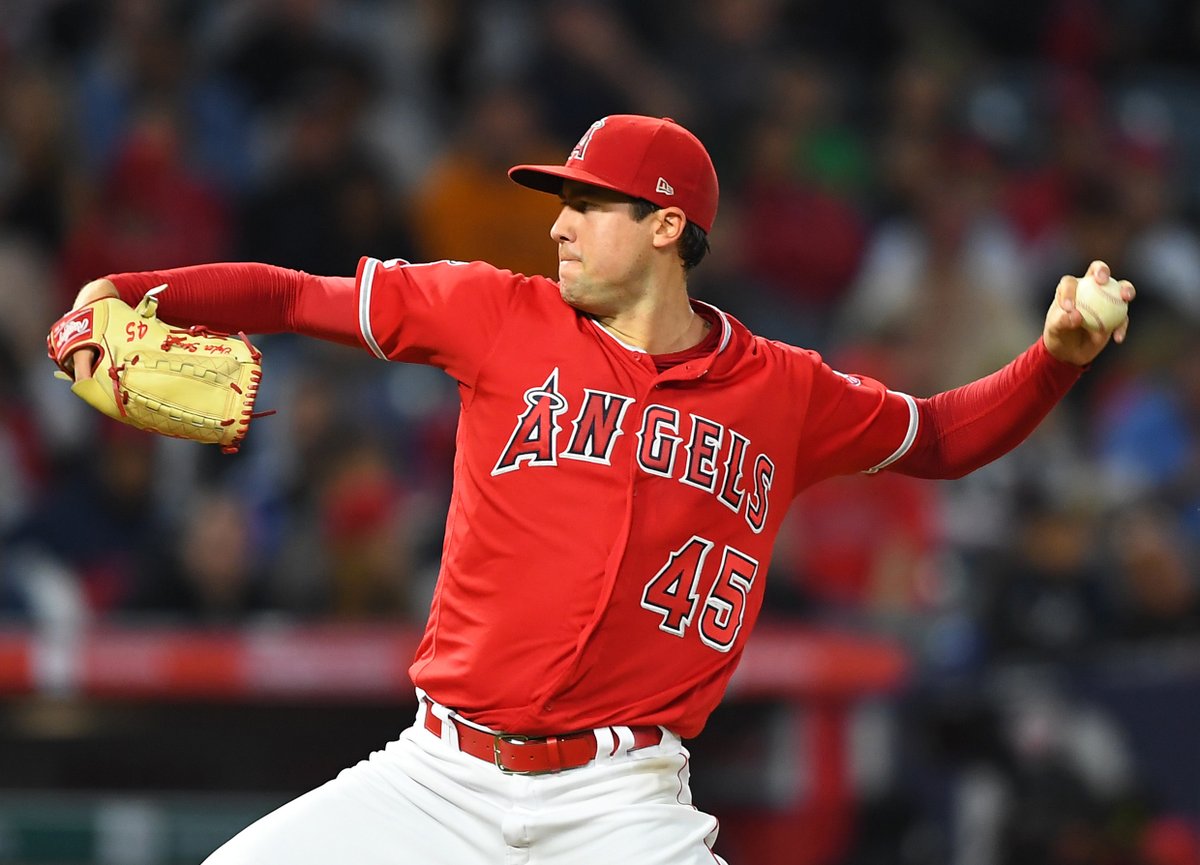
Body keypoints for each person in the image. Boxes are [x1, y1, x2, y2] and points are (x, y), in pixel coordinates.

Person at [57, 114, 1135, 865]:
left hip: (621, 801)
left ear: (667, 225)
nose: (560, 224)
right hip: (439, 774)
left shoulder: (785, 391)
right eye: (561, 203)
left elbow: (941, 437)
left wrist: (1056, 361)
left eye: (589, 203)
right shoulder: (495, 312)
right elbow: (294, 297)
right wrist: (126, 291)